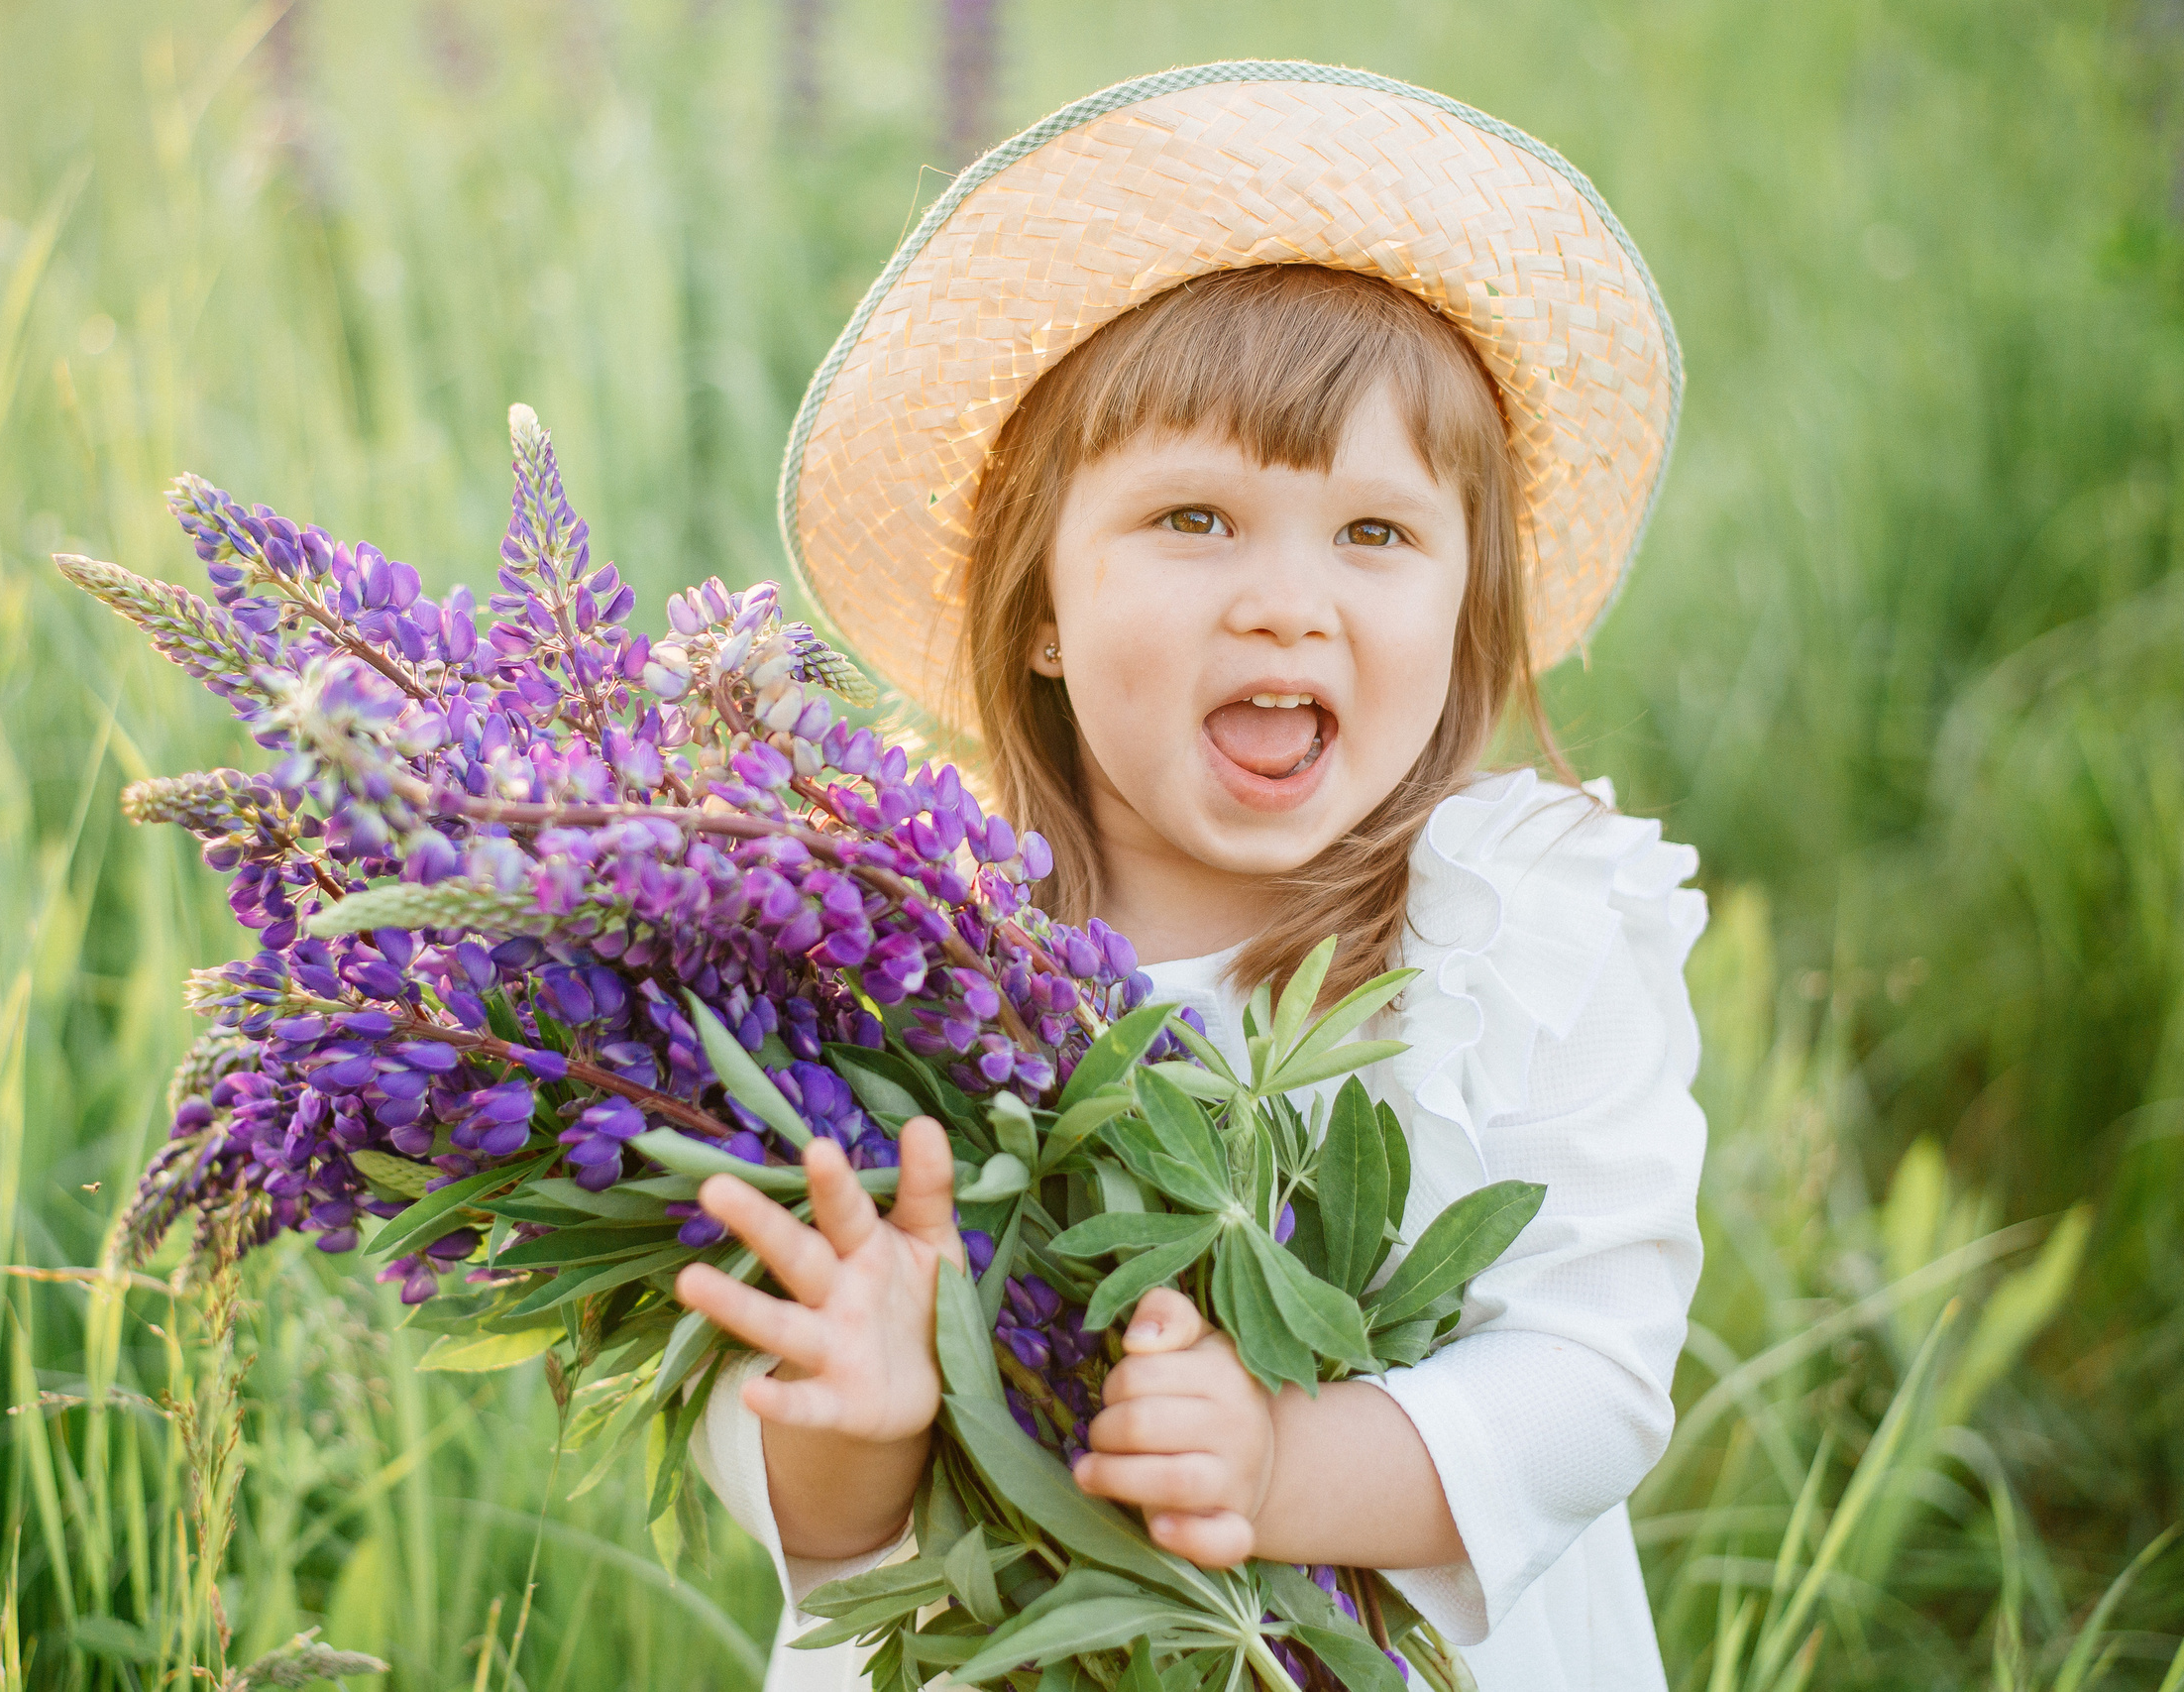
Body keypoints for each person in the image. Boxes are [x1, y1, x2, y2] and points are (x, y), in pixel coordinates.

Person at [670, 62, 1706, 1692]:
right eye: (1197, 518)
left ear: (1462, 617)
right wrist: (857, 1429)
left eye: (1374, 535)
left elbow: (1594, 1377)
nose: (1289, 603)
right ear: (1039, 611)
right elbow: (819, 1529)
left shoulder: (1523, 928)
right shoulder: (901, 972)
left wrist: (1287, 1466)